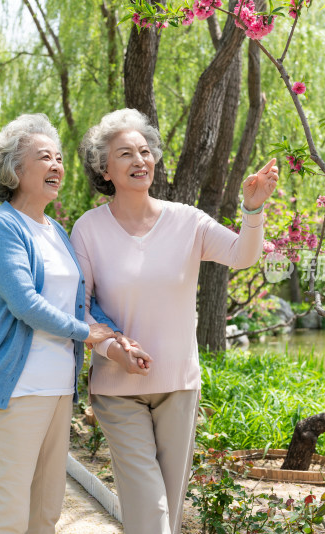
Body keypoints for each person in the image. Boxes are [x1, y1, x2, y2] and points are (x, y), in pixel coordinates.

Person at [70, 108, 278, 534]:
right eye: (125, 153)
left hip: (179, 385)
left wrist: (252, 210)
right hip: (117, 388)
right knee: (150, 510)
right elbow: (79, 307)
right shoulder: (88, 229)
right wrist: (113, 350)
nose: (138, 160)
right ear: (104, 169)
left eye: (145, 151)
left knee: (171, 508)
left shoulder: (187, 220)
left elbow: (242, 255)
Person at [0, 113, 119, 534]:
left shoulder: (54, 229)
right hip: (15, 388)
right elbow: (25, 303)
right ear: (15, 171)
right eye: (44, 158)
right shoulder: (1, 226)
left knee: (46, 511)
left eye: (58, 158)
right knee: (9, 513)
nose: (57, 166)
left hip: (56, 388)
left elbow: (77, 301)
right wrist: (86, 333)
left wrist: (111, 334)